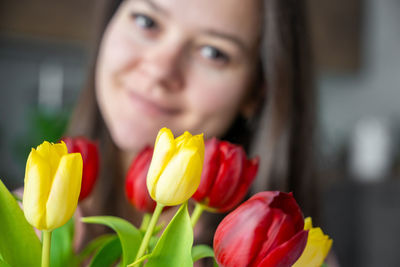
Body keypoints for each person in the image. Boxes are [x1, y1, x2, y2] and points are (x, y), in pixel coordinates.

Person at [67, 0, 317, 251]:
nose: (160, 71)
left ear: (256, 91)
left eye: (213, 52)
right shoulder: (36, 226)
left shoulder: (302, 259)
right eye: (147, 21)